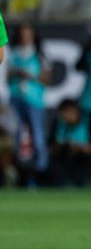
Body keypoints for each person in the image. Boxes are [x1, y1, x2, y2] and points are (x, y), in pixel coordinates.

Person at [7, 23, 51, 185]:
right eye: (22, 34)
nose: (25, 37)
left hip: (34, 100)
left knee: (38, 137)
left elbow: (47, 79)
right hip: (15, 98)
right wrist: (16, 73)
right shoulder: (12, 53)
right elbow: (6, 76)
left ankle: (40, 173)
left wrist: (31, 76)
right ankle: (21, 173)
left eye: (28, 34)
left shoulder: (39, 54)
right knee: (18, 138)